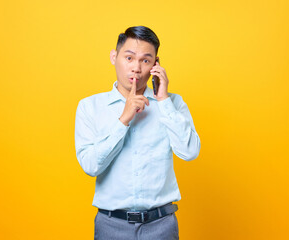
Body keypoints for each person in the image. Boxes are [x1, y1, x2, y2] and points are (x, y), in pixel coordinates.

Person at [75, 26, 201, 240]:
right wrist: (123, 119)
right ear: (114, 57)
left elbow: (190, 152)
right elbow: (90, 166)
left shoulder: (173, 103)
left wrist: (163, 101)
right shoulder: (90, 107)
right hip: (111, 225)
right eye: (129, 58)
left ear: (155, 64)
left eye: (145, 60)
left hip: (161, 225)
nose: (136, 68)